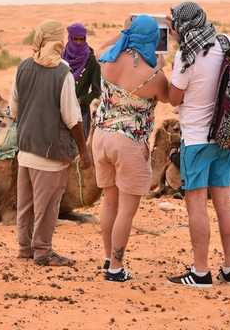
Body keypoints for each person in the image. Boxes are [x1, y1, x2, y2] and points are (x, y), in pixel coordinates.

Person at [165, 2, 230, 288]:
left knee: (196, 204)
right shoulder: (225, 41)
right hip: (224, 135)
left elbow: (174, 99)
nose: (172, 29)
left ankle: (200, 273)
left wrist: (172, 69)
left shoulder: (185, 56)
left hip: (196, 140)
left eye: (174, 24)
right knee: (224, 201)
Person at [94, 15, 171, 282]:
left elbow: (98, 49)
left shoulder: (108, 60)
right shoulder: (154, 76)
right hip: (128, 144)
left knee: (110, 204)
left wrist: (122, 31)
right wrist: (161, 66)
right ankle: (116, 270)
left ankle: (108, 260)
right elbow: (170, 97)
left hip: (101, 138)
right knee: (126, 209)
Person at [10, 19, 93, 267]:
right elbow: (72, 117)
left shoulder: (22, 67)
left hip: (25, 149)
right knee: (47, 207)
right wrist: (83, 151)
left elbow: (13, 109)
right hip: (51, 154)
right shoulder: (62, 73)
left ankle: (25, 248)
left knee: (25, 205)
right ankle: (43, 252)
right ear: (58, 42)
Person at [61, 23, 101, 138]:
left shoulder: (91, 60)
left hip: (81, 112)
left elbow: (97, 91)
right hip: (61, 110)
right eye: (75, 39)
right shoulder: (61, 58)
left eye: (81, 39)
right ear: (70, 38)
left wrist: (80, 100)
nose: (78, 42)